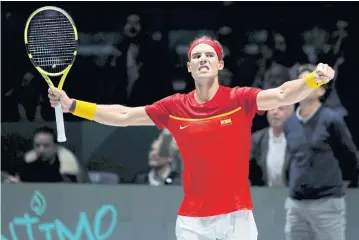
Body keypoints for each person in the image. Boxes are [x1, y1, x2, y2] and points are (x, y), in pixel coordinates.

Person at [48, 36, 335, 240]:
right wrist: (72, 105)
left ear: (220, 64)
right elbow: (123, 116)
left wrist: (313, 80)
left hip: (237, 219)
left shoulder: (239, 99)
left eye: (209, 55)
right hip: (192, 222)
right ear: (189, 67)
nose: (202, 59)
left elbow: (283, 95)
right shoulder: (174, 106)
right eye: (196, 56)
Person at [284, 65, 359, 240]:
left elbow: (349, 156)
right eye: (301, 82)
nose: (305, 85)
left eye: (311, 81)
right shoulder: (290, 123)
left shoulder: (332, 119)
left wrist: (335, 183)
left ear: (322, 90)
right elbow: (293, 159)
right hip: (296, 204)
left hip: (327, 203)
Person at [249, 104, 294, 187]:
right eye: (271, 108)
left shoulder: (298, 139)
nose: (275, 112)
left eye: (281, 109)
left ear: (291, 114)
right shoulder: (257, 139)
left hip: (292, 195)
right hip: (264, 195)